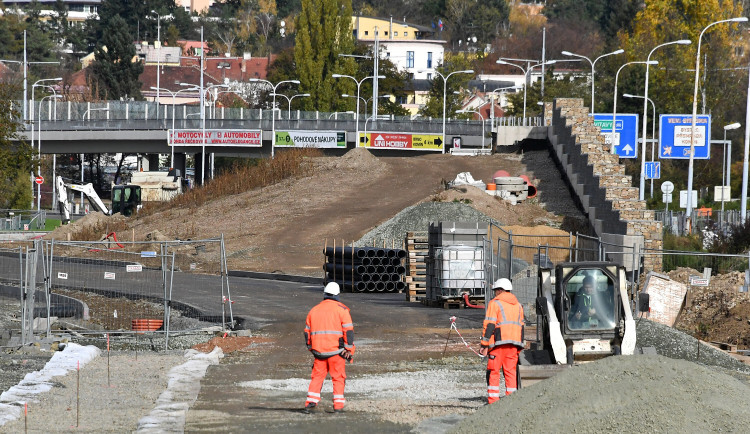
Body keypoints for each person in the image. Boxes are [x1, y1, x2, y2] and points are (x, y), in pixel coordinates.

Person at [303, 282, 355, 413]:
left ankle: (311, 403)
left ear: (325, 294)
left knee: (317, 377)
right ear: (337, 295)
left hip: (318, 352)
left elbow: (307, 333)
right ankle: (338, 406)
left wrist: (311, 348)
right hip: (336, 352)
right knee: (338, 378)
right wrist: (348, 350)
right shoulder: (342, 310)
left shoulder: (313, 310)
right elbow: (348, 332)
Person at [479, 278, 524, 404]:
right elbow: (521, 326)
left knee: (493, 372)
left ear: (499, 290)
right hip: (514, 345)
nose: (494, 293)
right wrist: (520, 346)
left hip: (499, 345)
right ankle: (512, 401)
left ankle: (493, 401)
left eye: (495, 291)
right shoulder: (518, 305)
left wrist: (484, 344)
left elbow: (489, 325)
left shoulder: (495, 303)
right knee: (510, 372)